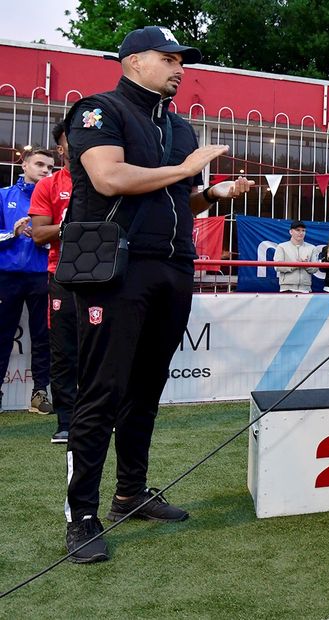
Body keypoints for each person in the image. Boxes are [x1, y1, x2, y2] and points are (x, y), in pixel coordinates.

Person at [63, 26, 253, 563]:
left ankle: (130, 493)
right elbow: (108, 179)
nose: (179, 68)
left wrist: (209, 193)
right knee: (101, 390)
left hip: (172, 266)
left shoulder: (180, 127)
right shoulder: (99, 111)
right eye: (168, 58)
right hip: (117, 269)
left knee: (145, 388)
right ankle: (81, 516)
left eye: (181, 60)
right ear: (132, 61)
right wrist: (189, 171)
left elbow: (175, 199)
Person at [28, 123, 75, 443]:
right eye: (71, 140)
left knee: (100, 352)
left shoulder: (106, 181)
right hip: (61, 275)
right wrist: (70, 226)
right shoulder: (48, 186)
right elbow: (39, 234)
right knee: (63, 352)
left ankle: (98, 417)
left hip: (105, 277)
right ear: (62, 148)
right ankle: (66, 422)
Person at [0, 147, 53, 417]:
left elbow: (61, 236)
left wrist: (43, 238)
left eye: (50, 167)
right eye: (40, 165)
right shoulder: (3, 195)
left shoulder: (53, 200)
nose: (45, 170)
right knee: (2, 334)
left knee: (42, 337)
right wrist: (13, 233)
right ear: (25, 166)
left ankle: (40, 392)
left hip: (41, 275)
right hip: (6, 276)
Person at [274, 220, 317, 292]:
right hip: (287, 288)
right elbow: (277, 267)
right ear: (291, 232)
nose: (301, 233)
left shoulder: (312, 248)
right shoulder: (281, 247)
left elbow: (315, 269)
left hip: (305, 289)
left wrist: (305, 265)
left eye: (303, 230)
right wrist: (296, 265)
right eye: (298, 230)